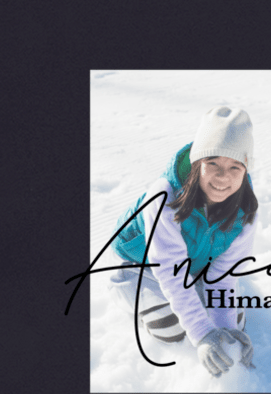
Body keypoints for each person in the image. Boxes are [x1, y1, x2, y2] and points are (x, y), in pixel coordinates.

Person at [108, 105, 258, 378]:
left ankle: (199, 299)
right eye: (213, 163)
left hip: (193, 263)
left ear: (245, 169)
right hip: (141, 265)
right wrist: (202, 334)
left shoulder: (245, 210)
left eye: (235, 167)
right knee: (173, 330)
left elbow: (223, 276)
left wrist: (227, 331)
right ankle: (131, 296)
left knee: (234, 323)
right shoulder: (164, 196)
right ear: (197, 161)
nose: (223, 176)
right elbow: (170, 271)